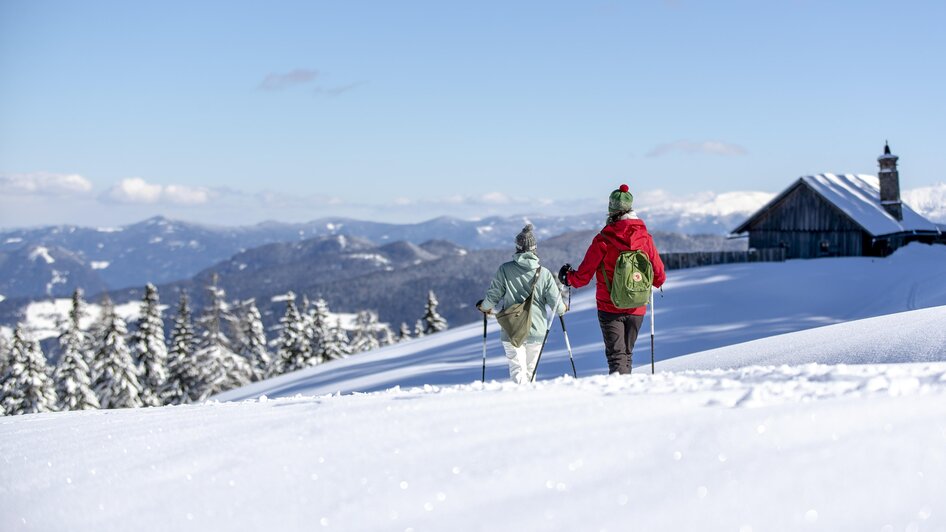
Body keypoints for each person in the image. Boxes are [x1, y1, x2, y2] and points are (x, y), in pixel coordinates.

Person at [559, 184, 666, 375]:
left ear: (611, 211)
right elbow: (660, 277)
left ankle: (620, 396)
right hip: (637, 306)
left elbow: (583, 277)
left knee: (617, 356)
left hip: (610, 306)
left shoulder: (603, 240)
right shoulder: (645, 238)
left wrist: (568, 278)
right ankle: (627, 391)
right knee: (627, 354)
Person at [477, 224, 567, 384]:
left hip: (512, 329)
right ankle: (529, 403)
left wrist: (483, 307)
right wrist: (564, 308)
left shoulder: (505, 269)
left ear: (517, 248)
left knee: (517, 370)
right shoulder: (544, 273)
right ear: (534, 249)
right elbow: (557, 306)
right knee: (531, 372)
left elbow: (493, 296)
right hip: (536, 329)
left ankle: (519, 399)